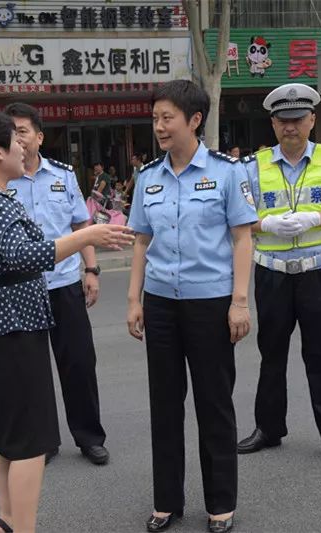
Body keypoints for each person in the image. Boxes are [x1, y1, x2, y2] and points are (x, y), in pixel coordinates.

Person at [0, 111, 133, 533]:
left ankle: (7, 521)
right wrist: (87, 237)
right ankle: (22, 528)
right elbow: (25, 256)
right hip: (11, 329)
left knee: (7, 438)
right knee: (30, 444)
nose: (22, 147)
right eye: (14, 141)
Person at [126, 79, 257, 533]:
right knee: (164, 404)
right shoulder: (148, 179)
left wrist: (240, 302)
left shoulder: (226, 173)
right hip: (161, 304)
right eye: (156, 117)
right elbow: (142, 240)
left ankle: (221, 503)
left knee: (213, 404)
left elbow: (243, 238)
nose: (159, 126)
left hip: (211, 303)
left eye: (168, 118)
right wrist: (133, 299)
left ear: (194, 120)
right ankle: (167, 501)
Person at [236, 83, 321, 467]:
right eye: (282, 120)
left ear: (312, 120)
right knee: (270, 355)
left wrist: (314, 217)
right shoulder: (252, 166)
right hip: (272, 273)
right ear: (272, 124)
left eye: (297, 119)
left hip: (320, 270)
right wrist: (268, 224)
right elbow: (240, 221)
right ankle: (268, 429)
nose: (289, 127)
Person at [4, 102, 110, 466]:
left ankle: (89, 437)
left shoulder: (63, 176)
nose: (17, 138)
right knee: (31, 370)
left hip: (64, 285)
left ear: (39, 136)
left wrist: (91, 270)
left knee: (78, 363)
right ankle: (44, 440)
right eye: (11, 131)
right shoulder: (1, 181)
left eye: (23, 130)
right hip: (22, 290)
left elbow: (82, 227)